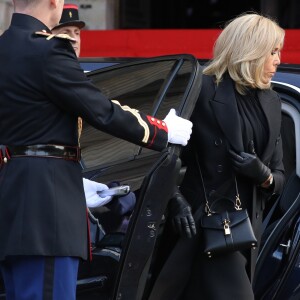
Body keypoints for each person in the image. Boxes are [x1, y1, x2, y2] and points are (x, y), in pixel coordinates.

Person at [0, 1, 193, 299]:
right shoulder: (49, 50)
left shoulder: (5, 49)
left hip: (12, 203)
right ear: (54, 2)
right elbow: (102, 110)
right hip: (48, 212)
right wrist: (163, 131)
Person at [177, 13, 285, 299]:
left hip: (248, 229)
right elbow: (167, 156)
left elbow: (281, 175)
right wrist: (175, 202)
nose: (278, 60)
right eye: (272, 52)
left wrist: (263, 175)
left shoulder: (272, 101)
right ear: (250, 50)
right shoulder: (201, 89)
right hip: (208, 223)